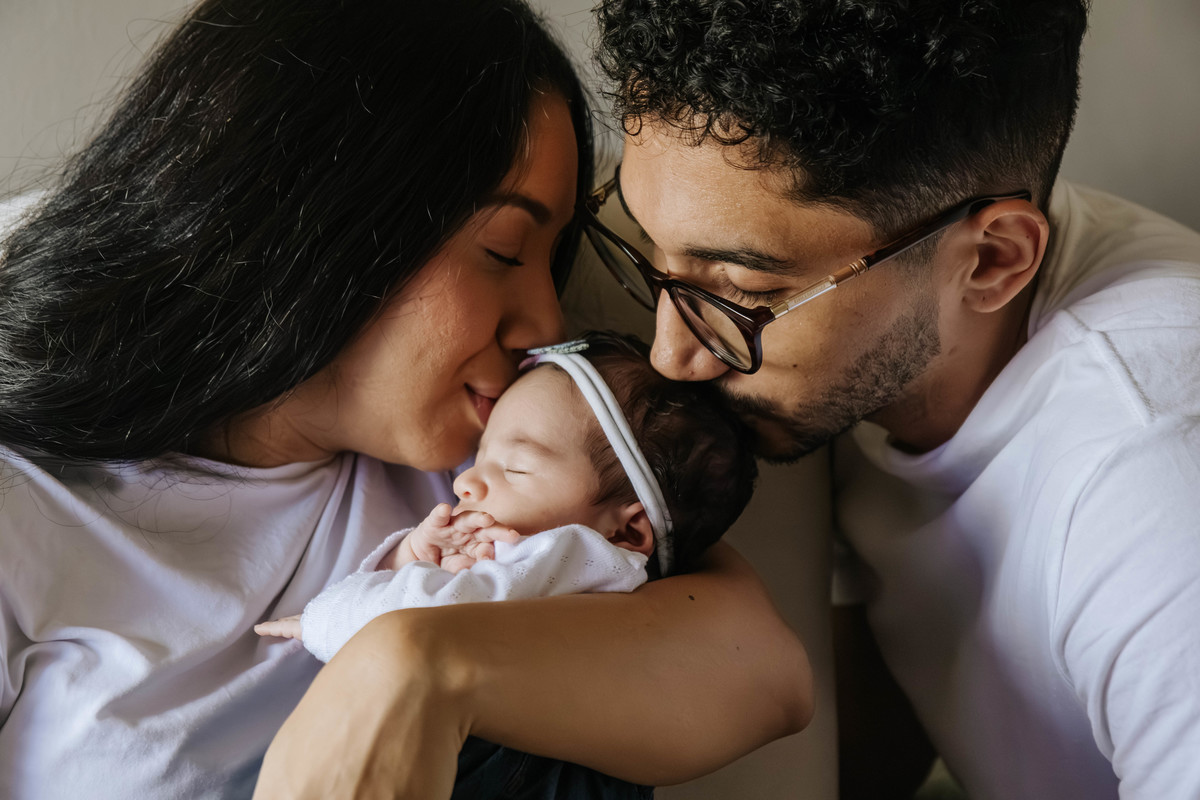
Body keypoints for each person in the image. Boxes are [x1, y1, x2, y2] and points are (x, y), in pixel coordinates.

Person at [0, 0, 812, 798]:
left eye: (553, 257)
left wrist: (414, 666)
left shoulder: (508, 460)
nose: (545, 324)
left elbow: (766, 674)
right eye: (504, 250)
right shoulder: (25, 509)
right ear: (321, 224)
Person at [583, 0, 1200, 798]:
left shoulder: (1158, 483)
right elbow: (875, 740)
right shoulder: (900, 305)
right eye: (646, 248)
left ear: (992, 261)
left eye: (744, 291)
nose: (672, 355)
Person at [253, 332, 758, 666]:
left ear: (624, 531)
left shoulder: (576, 561)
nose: (465, 483)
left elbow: (416, 617)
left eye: (515, 467)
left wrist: (319, 622)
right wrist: (413, 556)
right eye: (480, 455)